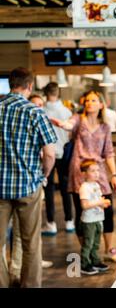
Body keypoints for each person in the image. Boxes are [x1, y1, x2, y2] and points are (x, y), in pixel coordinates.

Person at [51, 90, 116, 262]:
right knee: (82, 212)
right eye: (87, 100)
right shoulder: (78, 119)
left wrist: (114, 174)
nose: (89, 103)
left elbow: (109, 152)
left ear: (101, 104)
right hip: (80, 173)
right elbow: (69, 125)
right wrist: (62, 124)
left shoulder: (105, 127)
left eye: (93, 100)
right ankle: (87, 251)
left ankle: (109, 250)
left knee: (107, 210)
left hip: (99, 173)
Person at [0, 67, 57, 287]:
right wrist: (44, 174)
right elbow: (50, 153)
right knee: (31, 243)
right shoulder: (35, 112)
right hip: (27, 186)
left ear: (10, 83)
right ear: (30, 86)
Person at [42, 82, 74, 235]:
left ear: (45, 93)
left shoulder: (41, 111)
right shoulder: (67, 111)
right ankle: (69, 221)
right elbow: (70, 134)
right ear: (58, 93)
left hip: (47, 153)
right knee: (65, 188)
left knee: (49, 189)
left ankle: (51, 223)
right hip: (64, 153)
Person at [78, 160, 111, 275]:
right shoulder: (84, 187)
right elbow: (85, 205)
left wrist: (103, 203)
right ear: (84, 174)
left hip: (97, 218)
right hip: (89, 220)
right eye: (92, 171)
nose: (97, 173)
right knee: (88, 243)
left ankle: (95, 261)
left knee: (96, 243)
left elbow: (96, 200)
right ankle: (84, 264)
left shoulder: (96, 185)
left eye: (98, 170)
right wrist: (99, 202)